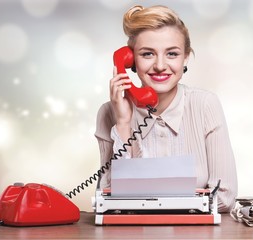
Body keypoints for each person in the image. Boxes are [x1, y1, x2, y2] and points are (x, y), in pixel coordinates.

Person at [94, 5, 237, 213]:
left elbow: (225, 196)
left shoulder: (205, 105)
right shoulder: (109, 113)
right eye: (147, 54)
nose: (160, 65)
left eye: (171, 54)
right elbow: (108, 201)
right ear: (130, 59)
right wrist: (123, 123)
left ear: (185, 57)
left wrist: (145, 204)